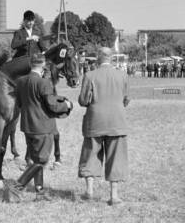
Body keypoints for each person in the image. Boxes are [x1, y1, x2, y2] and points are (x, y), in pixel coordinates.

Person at [15, 53, 73, 200]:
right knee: (42, 161)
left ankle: (39, 192)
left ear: (31, 64)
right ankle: (18, 186)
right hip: (43, 127)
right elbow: (52, 106)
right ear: (42, 65)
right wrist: (66, 105)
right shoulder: (44, 83)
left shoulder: (20, 81)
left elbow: (20, 104)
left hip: (28, 125)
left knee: (36, 160)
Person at [78, 47, 130, 205]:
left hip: (95, 122)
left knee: (90, 155)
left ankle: (89, 191)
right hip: (117, 122)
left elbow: (83, 101)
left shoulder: (89, 75)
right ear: (112, 58)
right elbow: (126, 99)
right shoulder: (122, 75)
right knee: (116, 158)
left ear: (98, 58)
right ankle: (114, 196)